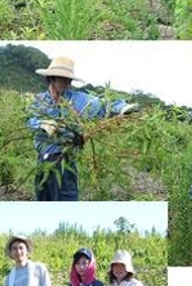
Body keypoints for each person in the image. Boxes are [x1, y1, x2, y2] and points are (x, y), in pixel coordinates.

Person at [27, 56, 139, 201]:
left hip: (64, 162)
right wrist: (41, 123)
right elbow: (29, 119)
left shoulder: (78, 100)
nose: (67, 82)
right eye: (63, 78)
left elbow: (104, 104)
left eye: (69, 79)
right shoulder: (39, 101)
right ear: (52, 78)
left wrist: (122, 107)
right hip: (42, 162)